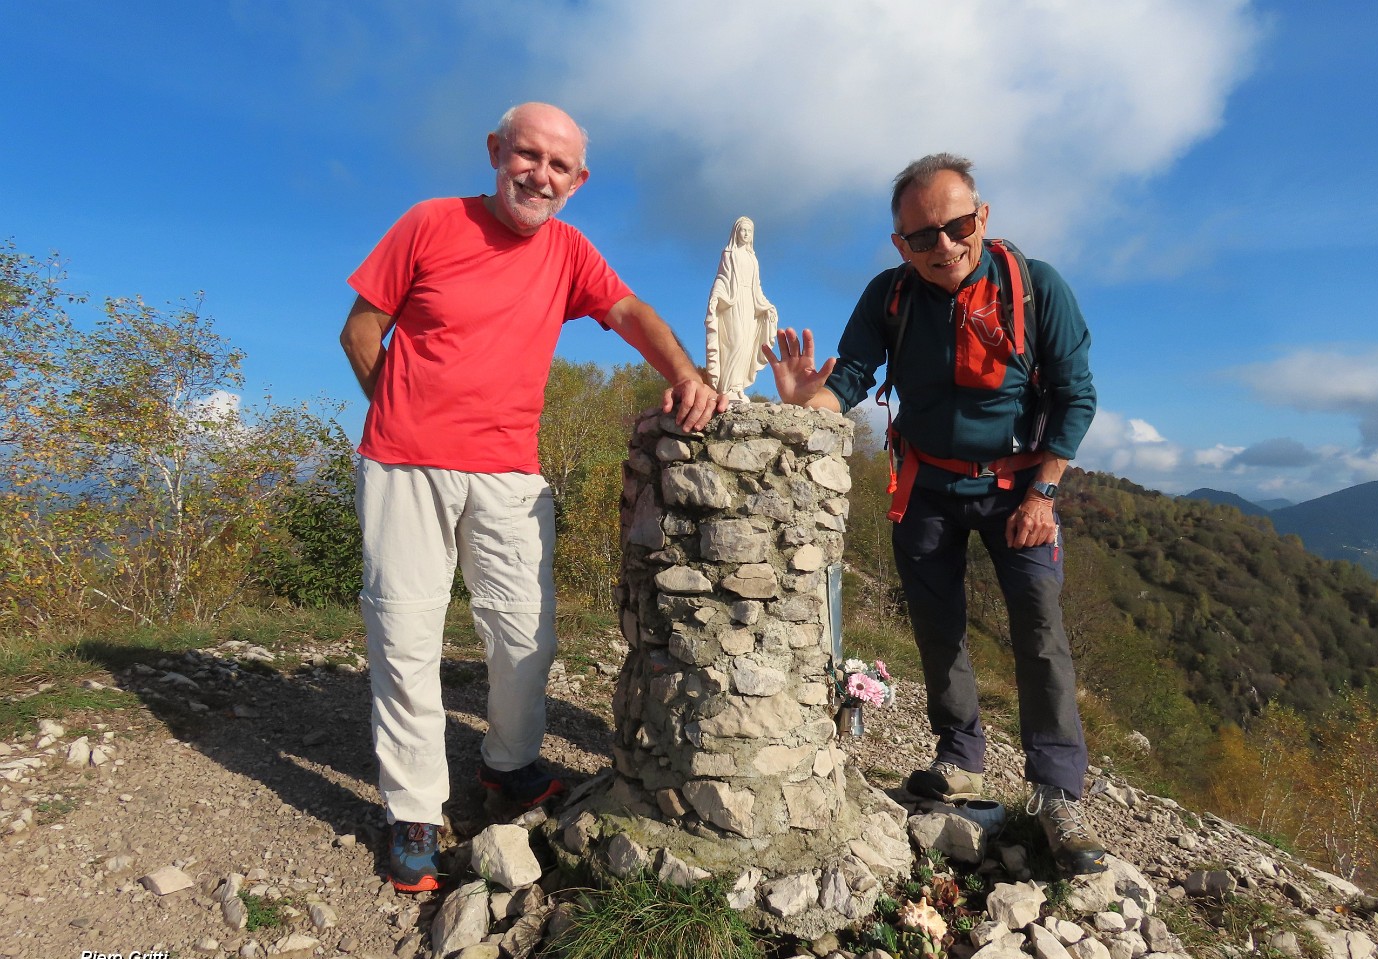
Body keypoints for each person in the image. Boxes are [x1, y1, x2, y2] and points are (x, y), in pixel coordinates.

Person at [340, 102, 725, 892]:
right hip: (405, 467)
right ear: (495, 151)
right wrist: (400, 413)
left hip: (510, 470)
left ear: (578, 182)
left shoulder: (569, 250)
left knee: (526, 635)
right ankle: (414, 809)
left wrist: (686, 376)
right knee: (405, 636)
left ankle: (507, 769)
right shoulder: (430, 222)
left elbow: (628, 312)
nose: (539, 175)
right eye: (527, 155)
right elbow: (359, 331)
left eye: (558, 166)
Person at [762, 153, 1105, 875]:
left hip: (1019, 488)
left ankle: (1056, 795)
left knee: (1039, 633)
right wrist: (806, 407)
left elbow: (1076, 395)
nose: (943, 247)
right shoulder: (891, 296)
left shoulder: (1036, 288)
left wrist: (1044, 495)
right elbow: (850, 378)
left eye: (956, 227)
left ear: (981, 217)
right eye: (922, 238)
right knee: (936, 625)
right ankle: (960, 757)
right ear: (900, 246)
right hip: (924, 484)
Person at [704, 216, 778, 400]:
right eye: (743, 230)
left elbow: (757, 286)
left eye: (749, 231)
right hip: (732, 302)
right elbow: (721, 278)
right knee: (734, 342)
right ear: (736, 232)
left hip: (750, 304)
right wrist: (715, 296)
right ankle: (726, 387)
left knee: (746, 344)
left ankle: (737, 387)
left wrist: (766, 305)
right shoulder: (729, 254)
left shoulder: (753, 258)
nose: (745, 234)